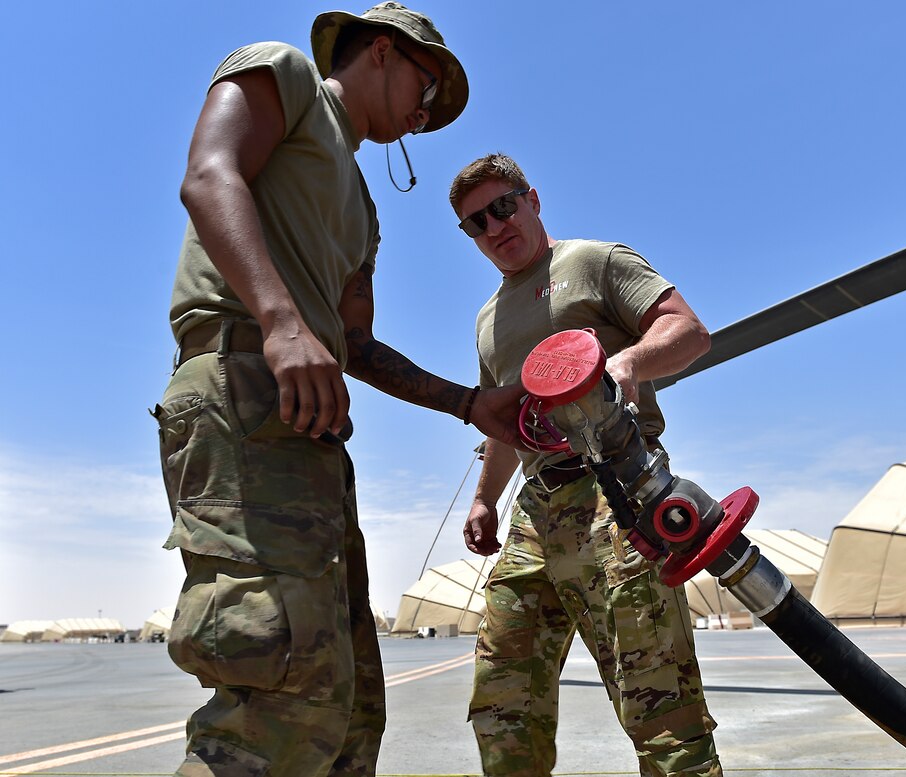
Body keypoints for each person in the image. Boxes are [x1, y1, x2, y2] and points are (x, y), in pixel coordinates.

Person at [152, 6, 522, 776]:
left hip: (310, 425)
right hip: (242, 382)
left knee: (344, 706)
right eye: (426, 87)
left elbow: (352, 345)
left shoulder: (365, 212)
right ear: (382, 52)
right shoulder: (283, 74)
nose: (425, 114)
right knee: (275, 697)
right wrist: (283, 322)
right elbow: (209, 174)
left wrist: (468, 403)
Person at [449, 153, 722, 777]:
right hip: (536, 506)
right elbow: (503, 421)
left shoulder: (594, 262)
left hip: (615, 492)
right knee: (503, 690)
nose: (494, 227)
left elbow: (688, 330)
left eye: (502, 206)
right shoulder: (488, 320)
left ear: (532, 198)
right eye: (475, 223)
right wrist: (485, 498)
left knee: (657, 697)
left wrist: (627, 363)